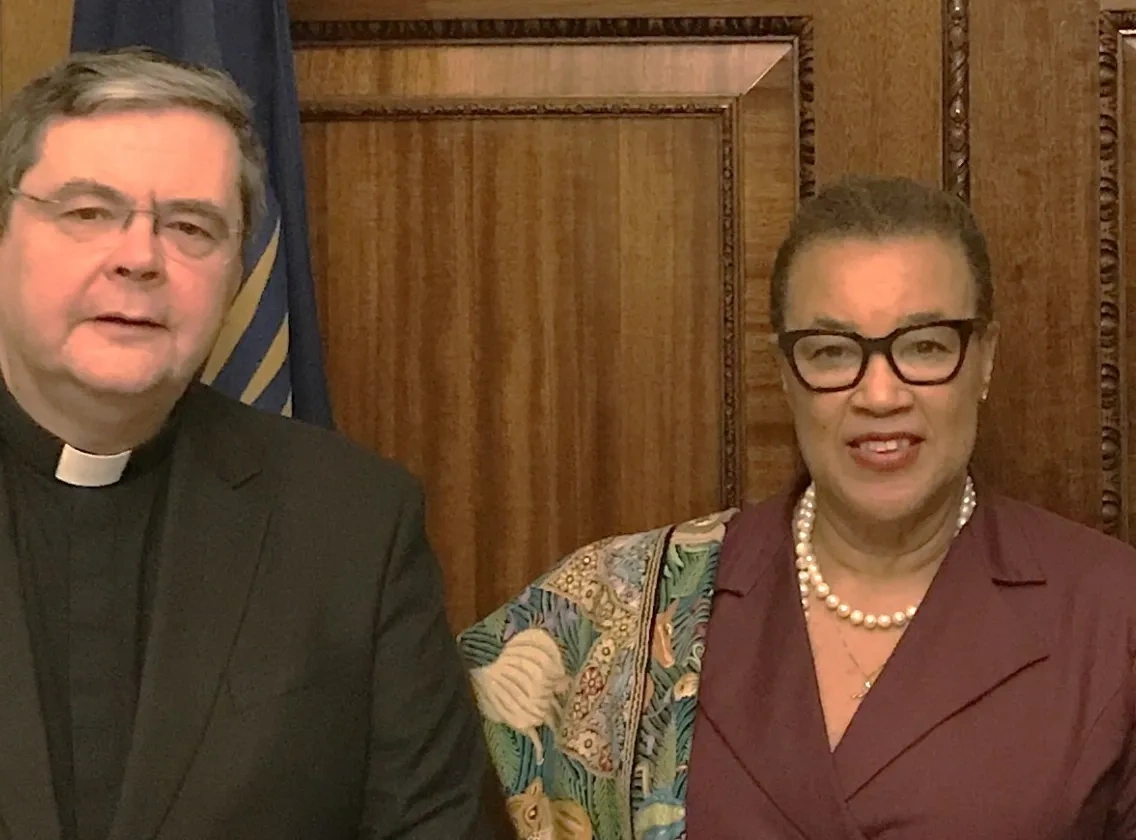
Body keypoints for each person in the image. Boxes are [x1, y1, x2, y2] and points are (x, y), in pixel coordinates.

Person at [0, 48, 493, 840]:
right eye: (86, 212)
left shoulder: (352, 525)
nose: (139, 257)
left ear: (233, 272)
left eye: (190, 226)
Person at [460, 175, 1136, 839]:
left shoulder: (1111, 617)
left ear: (983, 359)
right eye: (833, 352)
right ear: (787, 376)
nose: (879, 395)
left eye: (925, 346)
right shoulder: (620, 607)